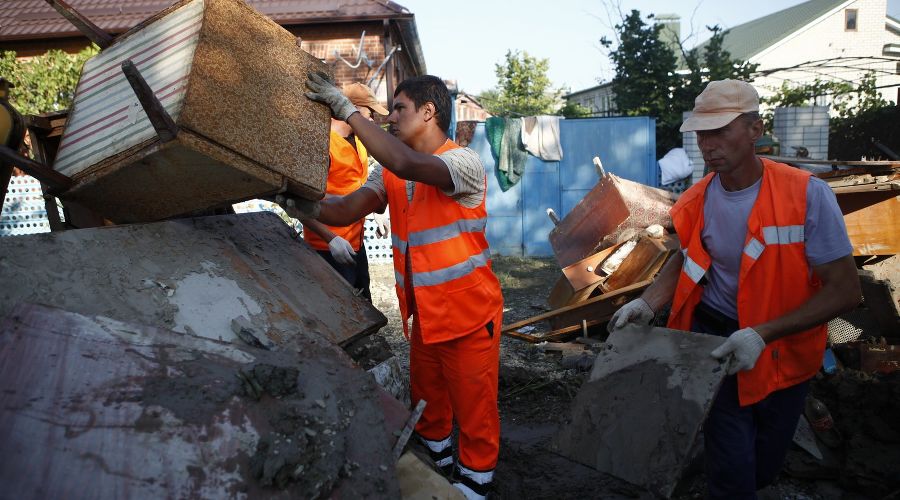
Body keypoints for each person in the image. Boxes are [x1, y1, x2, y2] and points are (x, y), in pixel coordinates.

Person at [609, 79, 861, 499]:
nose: (709, 144)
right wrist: (646, 302)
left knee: (764, 465)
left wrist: (763, 334)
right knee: (733, 472)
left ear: (755, 130)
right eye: (702, 134)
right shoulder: (695, 201)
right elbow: (688, 258)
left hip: (784, 348)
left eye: (721, 130)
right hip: (717, 341)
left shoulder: (807, 195)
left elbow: (845, 291)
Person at [282, 73, 504, 500]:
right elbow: (349, 206)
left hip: (470, 313)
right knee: (429, 397)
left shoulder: (461, 163)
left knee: (475, 404)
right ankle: (438, 458)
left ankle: (477, 480)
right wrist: (306, 204)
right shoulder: (389, 175)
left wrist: (347, 111)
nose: (390, 117)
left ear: (428, 111)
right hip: (425, 314)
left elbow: (405, 163)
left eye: (399, 108)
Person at [301, 83, 389, 300]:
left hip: (355, 244)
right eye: (370, 113)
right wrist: (330, 239)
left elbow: (358, 185)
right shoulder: (322, 146)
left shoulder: (359, 142)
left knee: (363, 302)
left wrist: (374, 211)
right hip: (328, 249)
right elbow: (301, 199)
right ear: (353, 109)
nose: (372, 120)